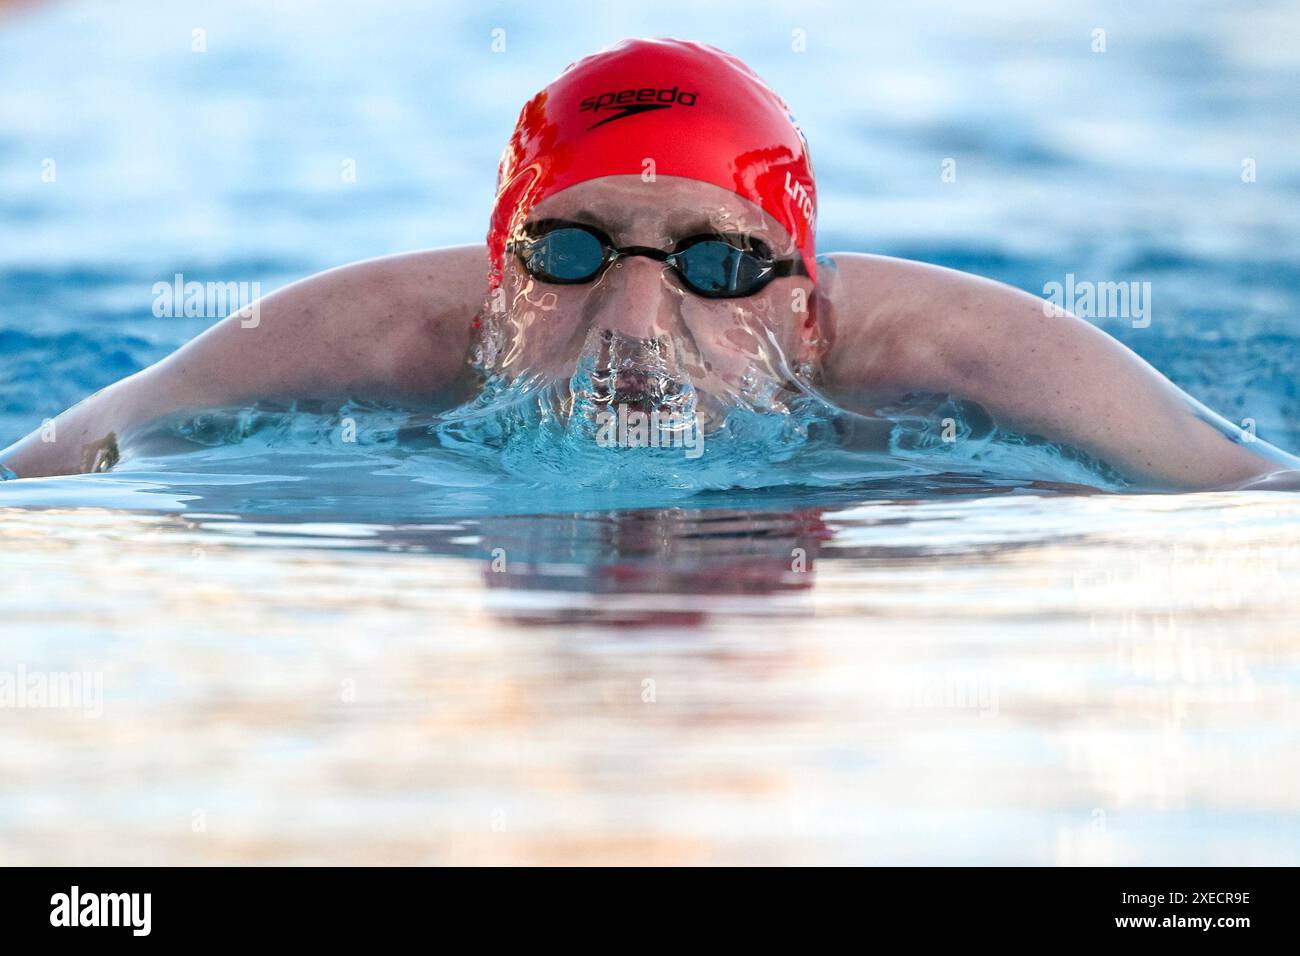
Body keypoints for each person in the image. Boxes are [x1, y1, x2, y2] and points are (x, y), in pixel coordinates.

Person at [3, 37, 1297, 490]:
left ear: (805, 304)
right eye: (567, 252)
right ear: (498, 284)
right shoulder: (377, 336)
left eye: (717, 267)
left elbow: (1250, 494)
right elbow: (52, 470)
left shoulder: (951, 353)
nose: (634, 315)